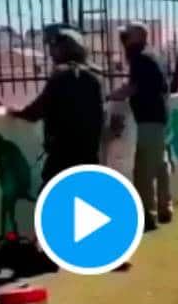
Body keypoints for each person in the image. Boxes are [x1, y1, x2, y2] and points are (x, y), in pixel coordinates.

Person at [8, 25, 105, 190]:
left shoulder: (62, 74)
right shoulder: (94, 75)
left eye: (53, 48)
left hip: (64, 150)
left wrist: (14, 112)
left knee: (51, 193)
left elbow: (36, 111)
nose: (51, 53)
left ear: (62, 49)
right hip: (89, 149)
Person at [108, 22, 173, 232]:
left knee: (144, 169)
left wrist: (110, 96)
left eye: (126, 36)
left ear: (137, 37)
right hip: (160, 116)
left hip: (149, 119)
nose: (124, 40)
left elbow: (133, 88)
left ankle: (147, 216)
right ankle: (164, 208)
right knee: (160, 165)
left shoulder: (140, 58)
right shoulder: (154, 56)